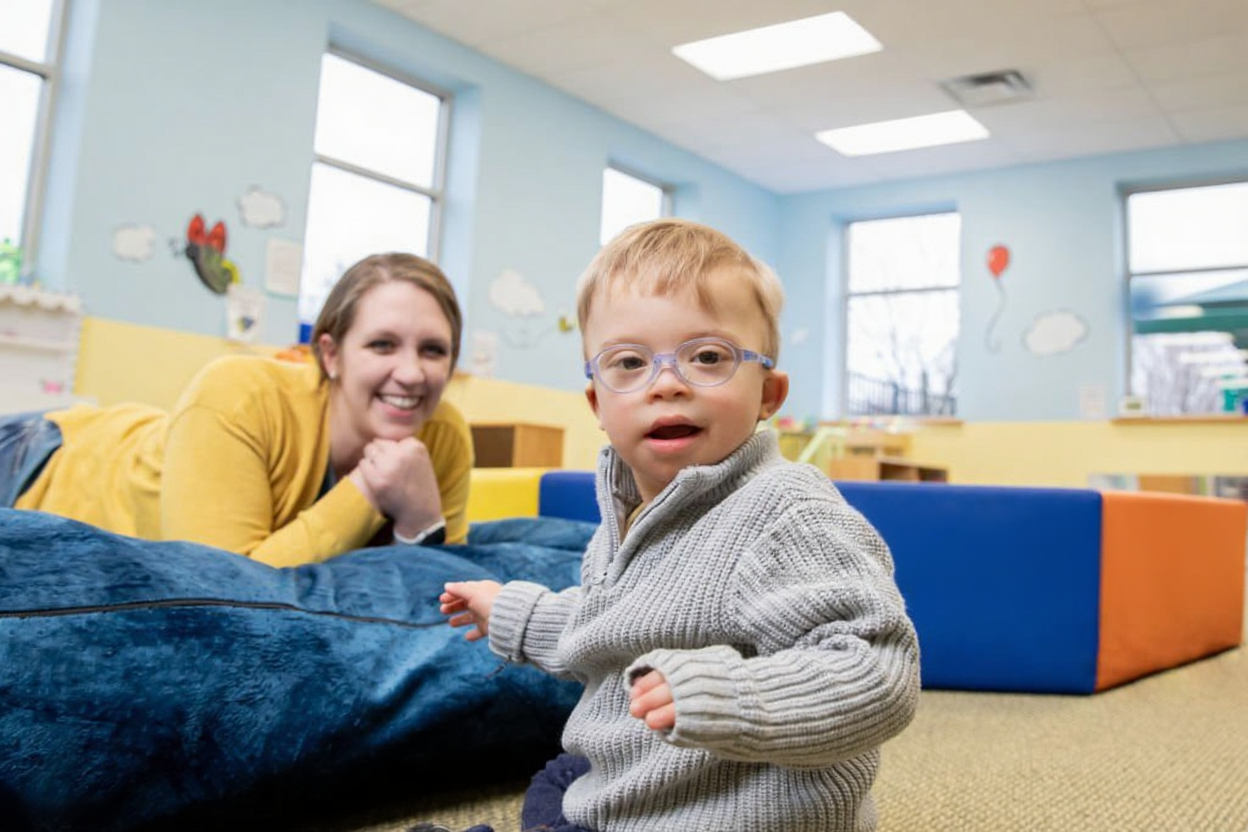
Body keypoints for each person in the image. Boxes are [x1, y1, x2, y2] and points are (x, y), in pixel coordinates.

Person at [437, 219, 921, 832]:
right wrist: (513, 610)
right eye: (630, 362)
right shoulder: (633, 514)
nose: (667, 383)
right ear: (598, 405)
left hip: (734, 816)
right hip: (645, 787)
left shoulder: (787, 514)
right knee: (562, 777)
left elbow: (879, 674)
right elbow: (609, 628)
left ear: (768, 393)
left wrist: (731, 696)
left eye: (708, 357)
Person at [1, 252, 473, 567]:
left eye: (433, 350)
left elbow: (447, 589)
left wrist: (421, 525)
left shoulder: (443, 431)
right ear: (331, 354)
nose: (412, 374)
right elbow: (225, 586)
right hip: (42, 461)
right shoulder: (240, 390)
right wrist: (367, 491)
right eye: (382, 344)